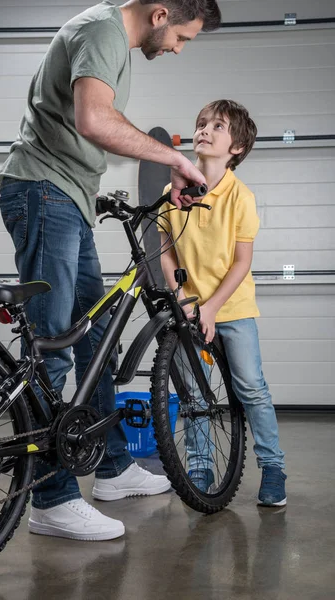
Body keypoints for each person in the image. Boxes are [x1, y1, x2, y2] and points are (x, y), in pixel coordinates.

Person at [0, 0, 222, 542]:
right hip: (45, 192)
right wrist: (174, 159)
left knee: (97, 339)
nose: (177, 50)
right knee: (51, 346)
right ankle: (51, 499)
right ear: (162, 13)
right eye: (183, 38)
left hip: (68, 197)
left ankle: (113, 467)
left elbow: (89, 130)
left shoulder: (109, 40)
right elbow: (94, 119)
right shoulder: (102, 32)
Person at [159, 99, 287, 506]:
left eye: (217, 126)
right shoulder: (173, 191)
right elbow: (165, 250)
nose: (204, 130)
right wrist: (183, 301)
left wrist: (211, 308)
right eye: (201, 123)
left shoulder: (240, 197)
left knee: (251, 388)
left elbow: (241, 261)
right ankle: (200, 463)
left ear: (236, 148)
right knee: (195, 393)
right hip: (188, 311)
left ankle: (273, 467)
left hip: (232, 309)